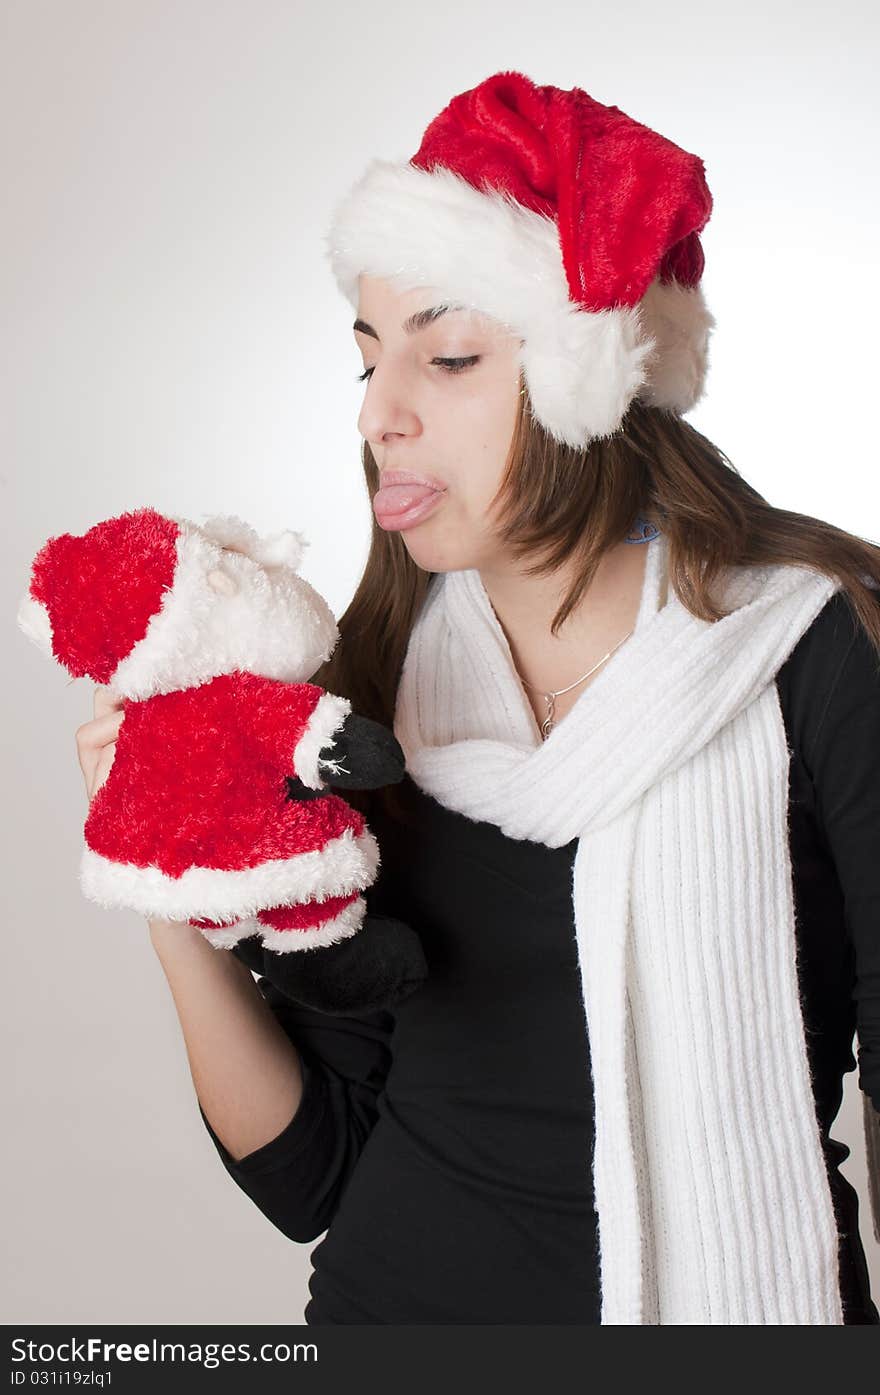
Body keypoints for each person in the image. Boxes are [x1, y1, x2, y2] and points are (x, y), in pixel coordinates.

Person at [75, 70, 880, 1324]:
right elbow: (311, 1170)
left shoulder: (819, 643)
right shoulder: (364, 693)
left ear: (588, 380)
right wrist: (161, 874)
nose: (380, 414)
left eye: (446, 355)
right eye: (365, 361)